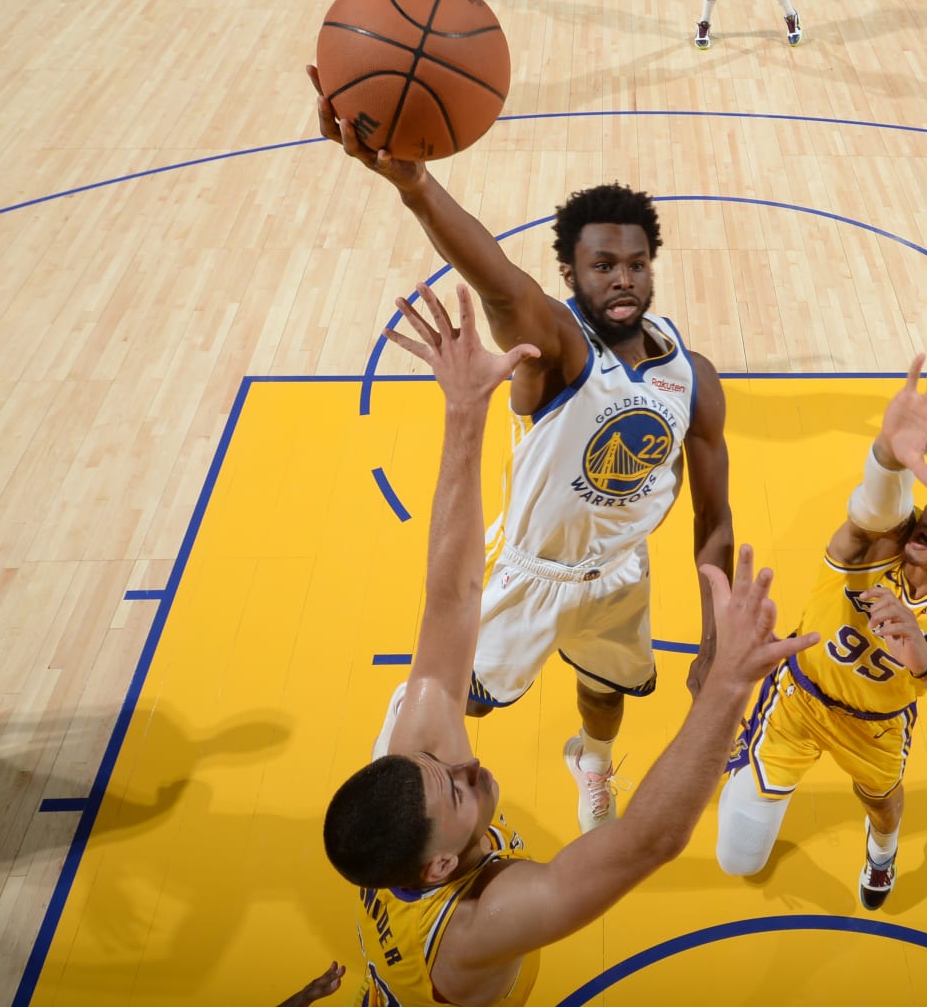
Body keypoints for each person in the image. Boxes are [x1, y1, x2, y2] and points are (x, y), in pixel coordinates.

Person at [323, 282, 816, 1007]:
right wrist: (727, 690)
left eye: (439, 763)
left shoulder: (415, 766)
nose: (467, 763)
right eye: (457, 789)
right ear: (438, 869)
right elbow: (646, 843)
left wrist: (465, 413)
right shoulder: (482, 923)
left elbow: (452, 597)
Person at [308, 67, 736, 834]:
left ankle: (592, 764)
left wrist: (714, 639)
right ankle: (394, 801)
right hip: (528, 576)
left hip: (620, 577)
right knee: (446, 703)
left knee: (606, 692)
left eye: (637, 263)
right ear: (572, 275)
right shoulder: (561, 347)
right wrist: (415, 188)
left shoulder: (692, 377)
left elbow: (716, 519)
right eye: (604, 266)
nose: (624, 280)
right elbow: (503, 288)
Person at [714, 357, 927, 911]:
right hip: (799, 700)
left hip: (876, 725)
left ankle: (883, 850)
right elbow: (875, 506)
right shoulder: (882, 539)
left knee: (880, 804)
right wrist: (885, 454)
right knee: (737, 860)